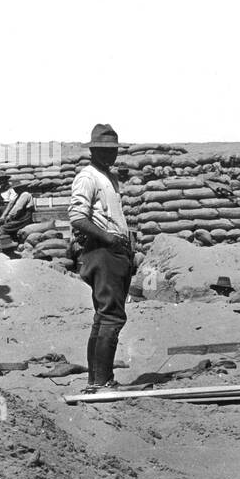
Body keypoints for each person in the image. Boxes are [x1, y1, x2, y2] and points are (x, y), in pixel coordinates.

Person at [69, 123, 135, 392]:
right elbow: (76, 217)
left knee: (104, 315)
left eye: (114, 150)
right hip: (103, 250)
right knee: (112, 317)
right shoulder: (88, 177)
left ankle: (97, 379)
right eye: (104, 150)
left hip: (114, 251)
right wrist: (108, 238)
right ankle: (102, 380)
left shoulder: (109, 177)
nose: (111, 154)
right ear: (93, 150)